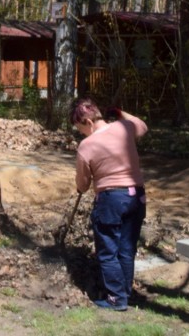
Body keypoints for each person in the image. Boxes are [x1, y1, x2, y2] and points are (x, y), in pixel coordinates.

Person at [72, 98, 148, 312]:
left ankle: (115, 297)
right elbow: (142, 126)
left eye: (80, 128)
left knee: (108, 251)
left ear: (87, 121)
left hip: (111, 199)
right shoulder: (124, 127)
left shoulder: (87, 145)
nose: (81, 134)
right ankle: (125, 293)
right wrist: (121, 112)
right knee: (127, 249)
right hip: (137, 197)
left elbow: (83, 184)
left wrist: (81, 186)